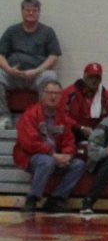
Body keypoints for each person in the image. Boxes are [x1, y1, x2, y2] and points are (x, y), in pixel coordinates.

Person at [15, 77, 84, 211]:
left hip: (55, 156)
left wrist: (68, 155)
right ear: (42, 95)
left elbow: (69, 140)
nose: (53, 96)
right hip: (31, 157)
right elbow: (30, 143)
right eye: (50, 93)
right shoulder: (30, 114)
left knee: (78, 164)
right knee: (47, 161)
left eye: (57, 94)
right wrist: (53, 154)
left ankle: (56, 199)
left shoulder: (62, 117)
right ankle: (32, 198)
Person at [1, 0, 62, 92]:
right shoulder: (11, 31)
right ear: (22, 12)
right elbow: (1, 55)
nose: (31, 13)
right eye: (27, 10)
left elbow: (53, 57)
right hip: (12, 75)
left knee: (51, 77)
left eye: (34, 11)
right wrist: (9, 70)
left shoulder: (48, 32)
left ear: (39, 13)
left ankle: (43, 103)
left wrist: (36, 71)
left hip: (38, 76)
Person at [63, 62, 108, 146]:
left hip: (95, 133)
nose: (94, 80)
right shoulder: (71, 93)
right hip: (74, 130)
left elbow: (107, 119)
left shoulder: (104, 96)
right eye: (91, 77)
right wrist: (81, 128)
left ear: (101, 79)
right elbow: (63, 117)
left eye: (97, 77)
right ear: (84, 77)